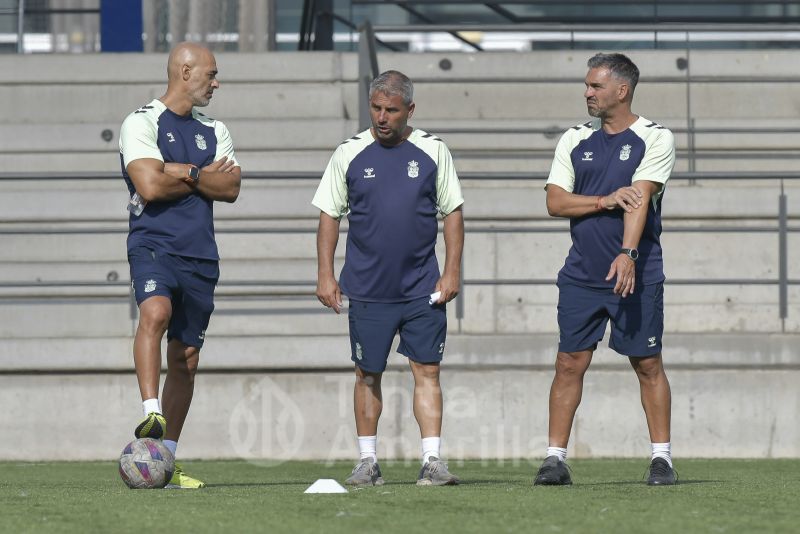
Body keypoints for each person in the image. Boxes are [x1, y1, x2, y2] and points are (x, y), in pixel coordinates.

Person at [313, 70, 464, 487]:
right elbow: (329, 214)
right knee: (366, 373)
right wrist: (326, 274)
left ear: (409, 110)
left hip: (422, 288)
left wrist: (451, 271)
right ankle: (367, 462)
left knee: (427, 371)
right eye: (376, 108)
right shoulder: (348, 152)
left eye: (391, 110)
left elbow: (452, 212)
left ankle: (432, 461)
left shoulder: (433, 151)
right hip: (367, 289)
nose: (382, 117)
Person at [534, 53, 676, 486]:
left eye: (595, 86)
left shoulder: (656, 137)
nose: (587, 93)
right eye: (587, 85)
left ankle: (661, 459)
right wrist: (601, 200)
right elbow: (555, 202)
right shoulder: (574, 139)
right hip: (581, 274)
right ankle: (555, 459)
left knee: (647, 363)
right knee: (568, 362)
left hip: (638, 270)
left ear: (622, 90)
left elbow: (639, 196)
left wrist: (628, 254)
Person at [118, 42, 241, 489]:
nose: (216, 82)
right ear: (185, 72)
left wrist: (184, 171)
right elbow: (149, 186)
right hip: (154, 244)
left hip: (201, 254)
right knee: (155, 312)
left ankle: (166, 458)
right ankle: (152, 410)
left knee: (186, 359)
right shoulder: (141, 121)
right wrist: (201, 176)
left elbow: (229, 187)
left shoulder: (216, 129)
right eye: (210, 74)